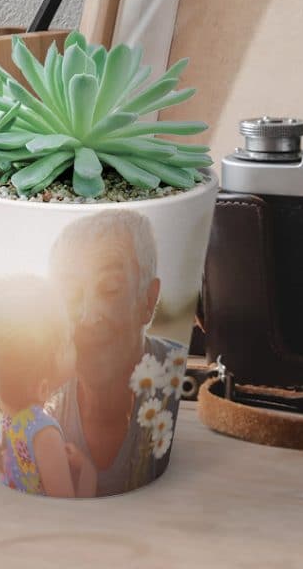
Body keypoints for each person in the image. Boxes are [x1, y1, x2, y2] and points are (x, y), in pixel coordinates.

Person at [47, 209, 187, 496]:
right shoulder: (42, 394)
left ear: (148, 301)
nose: (88, 315)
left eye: (109, 289)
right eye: (71, 293)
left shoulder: (180, 382)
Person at [0, 275, 96, 498]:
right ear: (43, 388)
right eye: (68, 343)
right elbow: (65, 510)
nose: (75, 345)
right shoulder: (44, 434)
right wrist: (89, 474)